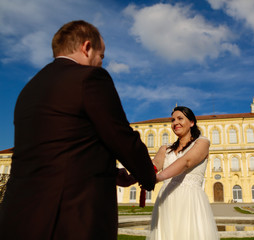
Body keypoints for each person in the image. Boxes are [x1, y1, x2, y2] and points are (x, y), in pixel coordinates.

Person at [0, 20, 156, 240]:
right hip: (70, 217)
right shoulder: (91, 78)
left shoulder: (29, 90)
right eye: (101, 56)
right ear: (86, 47)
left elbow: (61, 149)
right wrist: (148, 176)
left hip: (20, 218)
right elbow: (120, 136)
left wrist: (111, 173)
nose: (101, 63)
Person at [147, 106, 219, 240]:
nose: (175, 123)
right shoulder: (165, 148)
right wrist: (132, 176)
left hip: (190, 201)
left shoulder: (202, 142)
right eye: (173, 120)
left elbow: (187, 161)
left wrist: (158, 177)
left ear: (192, 122)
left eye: (180, 118)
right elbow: (153, 166)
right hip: (166, 201)